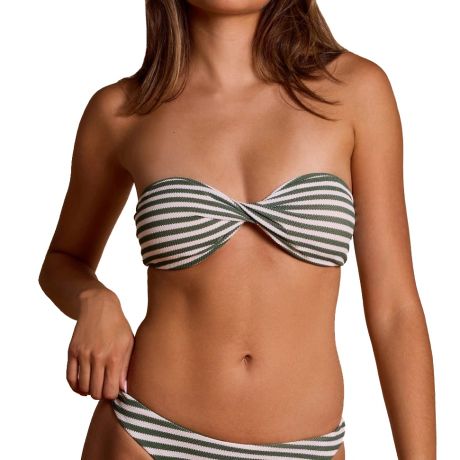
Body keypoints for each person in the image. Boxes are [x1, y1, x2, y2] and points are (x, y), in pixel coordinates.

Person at [38, 0, 436, 458]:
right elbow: (63, 261)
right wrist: (94, 300)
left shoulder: (357, 93)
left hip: (308, 448)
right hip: (146, 436)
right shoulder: (121, 111)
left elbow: (395, 310)